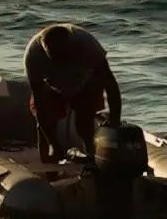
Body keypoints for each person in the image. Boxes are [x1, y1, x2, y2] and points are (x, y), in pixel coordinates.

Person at [24, 22, 120, 161]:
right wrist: (52, 142)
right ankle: (49, 169)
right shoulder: (33, 56)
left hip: (84, 82)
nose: (61, 63)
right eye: (55, 58)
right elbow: (40, 104)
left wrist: (114, 119)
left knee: (84, 123)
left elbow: (110, 84)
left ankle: (92, 158)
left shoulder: (88, 45)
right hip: (52, 86)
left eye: (64, 57)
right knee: (45, 124)